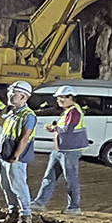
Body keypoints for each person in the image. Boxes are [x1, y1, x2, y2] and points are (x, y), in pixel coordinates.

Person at [31, 85, 87, 215]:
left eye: (62, 98)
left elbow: (67, 130)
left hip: (70, 151)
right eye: (58, 98)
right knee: (49, 177)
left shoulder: (74, 112)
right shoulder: (68, 112)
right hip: (60, 150)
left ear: (70, 97)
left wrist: (53, 128)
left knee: (71, 179)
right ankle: (40, 202)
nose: (59, 100)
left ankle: (74, 207)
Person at [0, 81, 37, 223]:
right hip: (4, 155)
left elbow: (25, 137)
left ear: (24, 97)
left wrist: (16, 155)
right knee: (6, 185)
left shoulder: (28, 116)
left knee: (18, 185)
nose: (9, 95)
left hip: (15, 158)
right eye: (10, 92)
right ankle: (12, 213)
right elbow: (2, 125)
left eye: (13, 93)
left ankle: (26, 215)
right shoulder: (13, 113)